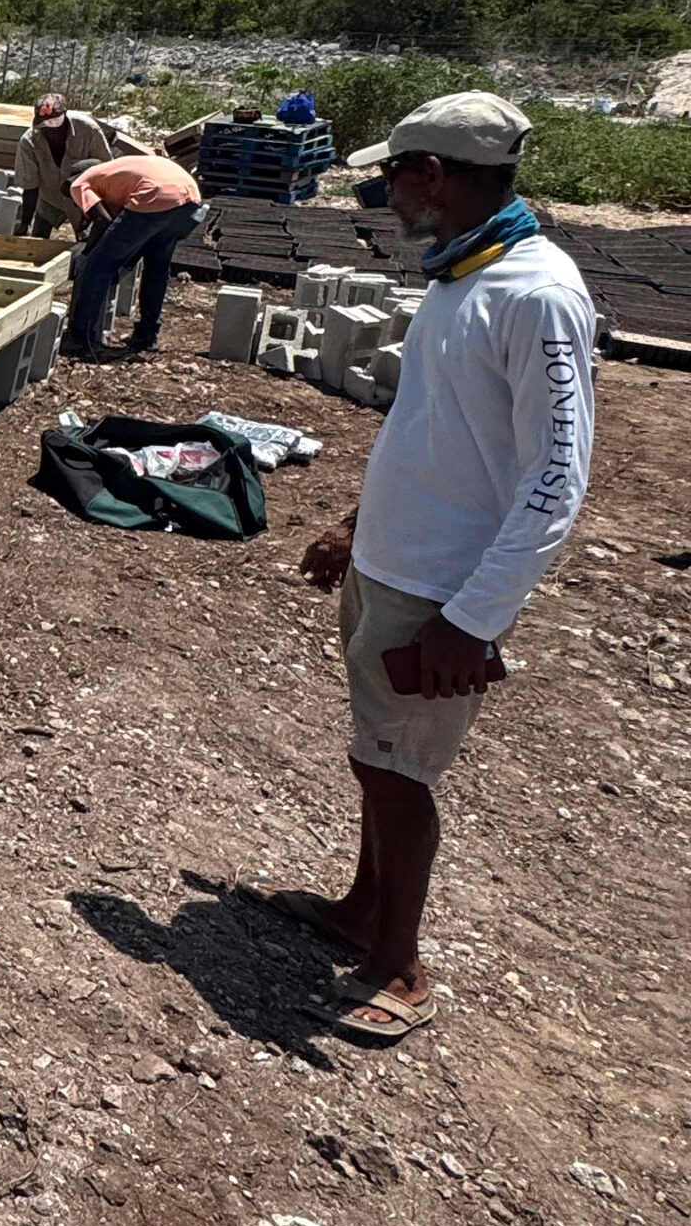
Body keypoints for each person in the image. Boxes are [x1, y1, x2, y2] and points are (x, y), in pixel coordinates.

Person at [255, 92, 595, 1044]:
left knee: (402, 775)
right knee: (378, 757)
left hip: (439, 592)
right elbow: (439, 439)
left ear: (436, 175)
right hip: (391, 565)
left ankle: (399, 966)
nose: (385, 193)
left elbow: (556, 477)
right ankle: (362, 909)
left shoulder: (536, 295)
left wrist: (473, 618)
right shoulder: (462, 279)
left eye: (393, 175)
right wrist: (356, 525)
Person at [63, 151, 206, 356]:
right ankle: (147, 336)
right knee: (157, 268)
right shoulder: (117, 172)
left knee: (97, 265)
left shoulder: (81, 182)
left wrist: (87, 254)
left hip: (155, 194)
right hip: (189, 197)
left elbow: (103, 221)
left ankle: (79, 337)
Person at [13, 92, 116, 237]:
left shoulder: (88, 131)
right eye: (45, 123)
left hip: (84, 200)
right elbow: (30, 187)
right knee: (37, 241)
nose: (52, 128)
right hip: (49, 199)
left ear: (65, 114)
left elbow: (107, 170)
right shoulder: (29, 143)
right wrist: (25, 223)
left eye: (56, 121)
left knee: (89, 244)